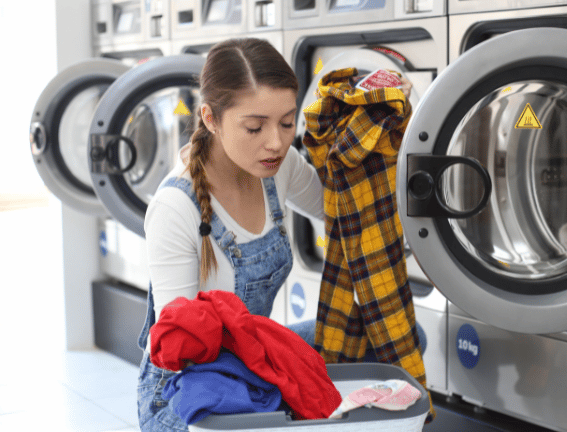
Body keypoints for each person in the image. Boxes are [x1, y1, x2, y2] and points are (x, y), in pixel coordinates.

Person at [135, 38, 425, 432]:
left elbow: (341, 207)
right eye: (254, 126)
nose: (275, 141)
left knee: (393, 340)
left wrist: (373, 126)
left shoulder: (279, 165)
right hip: (192, 395)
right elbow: (176, 348)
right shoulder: (175, 208)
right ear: (210, 118)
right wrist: (281, 369)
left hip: (256, 357)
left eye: (288, 123)